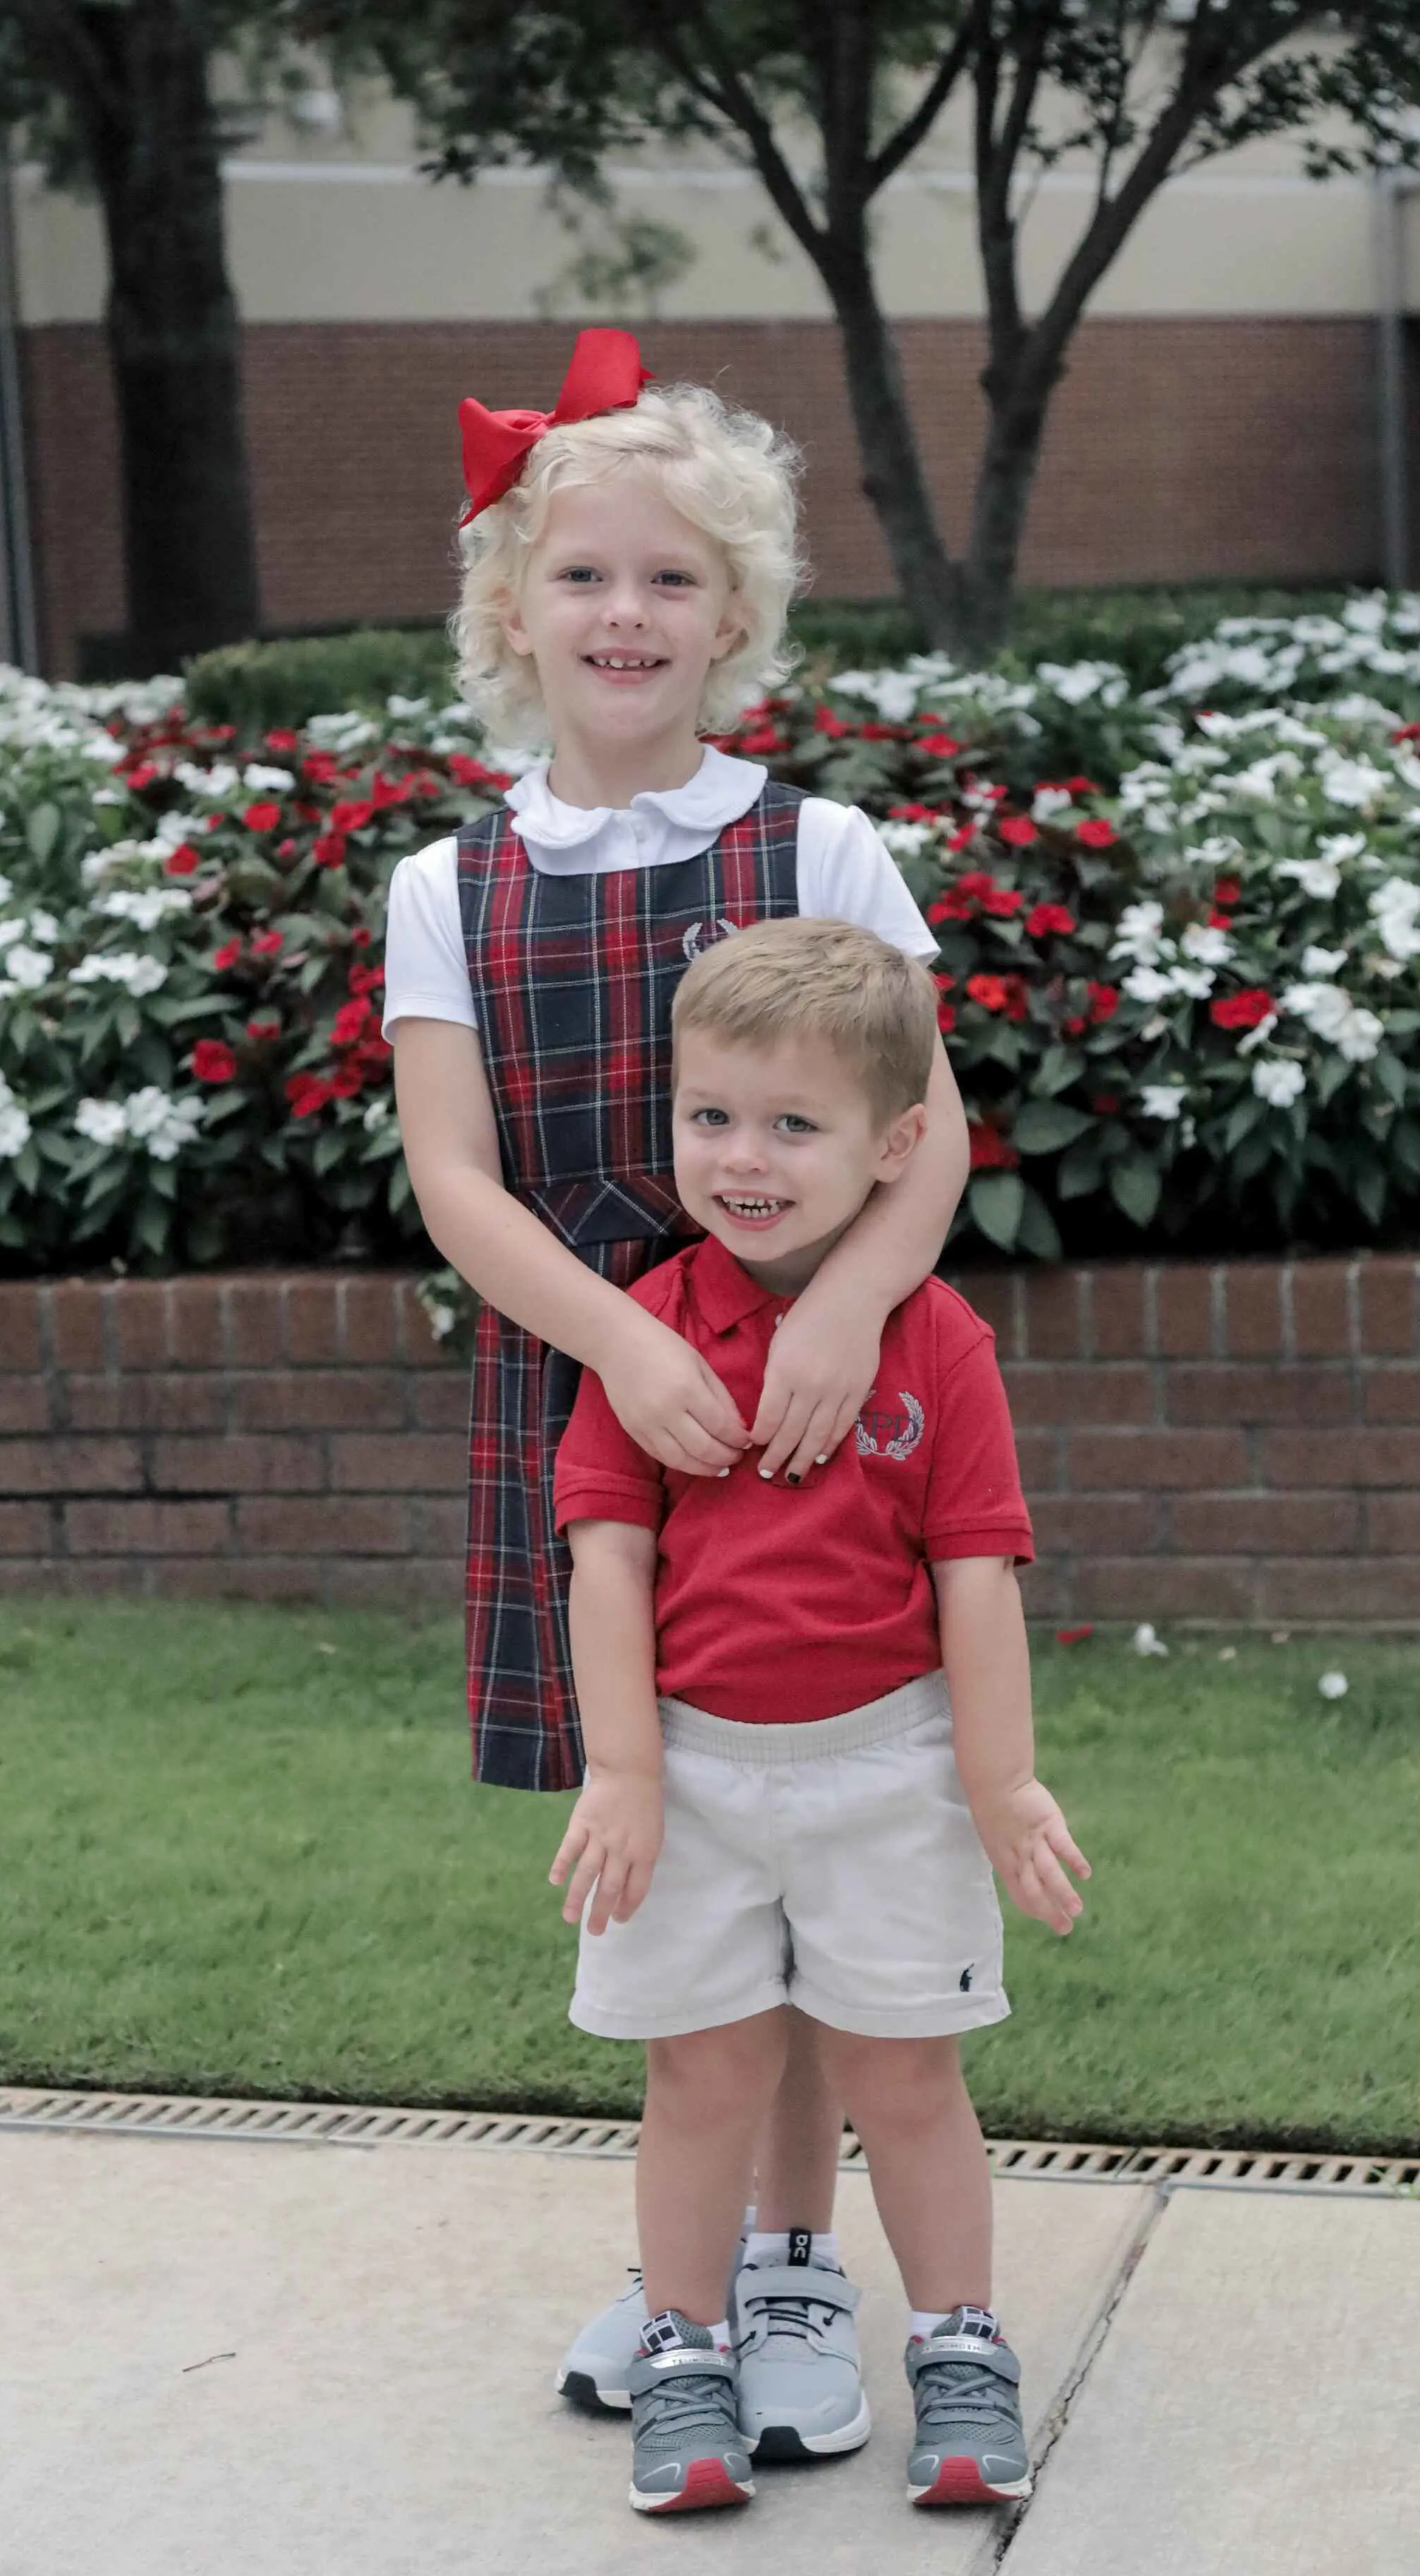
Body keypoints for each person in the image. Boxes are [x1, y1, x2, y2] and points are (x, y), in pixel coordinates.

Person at [384, 330, 973, 2444]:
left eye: (667, 581)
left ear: (736, 616)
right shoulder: (448, 888)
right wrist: (628, 1339)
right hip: (611, 1431)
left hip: (815, 1444)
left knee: (820, 1852)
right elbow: (459, 1180)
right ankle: (688, 2284)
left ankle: (803, 2284)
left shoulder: (819, 851)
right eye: (579, 578)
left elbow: (942, 1137)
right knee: (692, 1867)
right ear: (511, 613)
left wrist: (835, 1317)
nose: (621, 617)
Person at [550, 918, 1090, 2517]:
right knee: (698, 2078)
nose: (745, 1158)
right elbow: (604, 1562)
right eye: (710, 1116)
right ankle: (684, 2350)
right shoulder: (641, 1331)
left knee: (906, 2077)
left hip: (886, 1766)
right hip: (697, 1776)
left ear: (895, 1144)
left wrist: (997, 1786)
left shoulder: (934, 1345)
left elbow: (977, 1576)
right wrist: (625, 1770)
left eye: (795, 1125)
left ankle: (958, 2349)